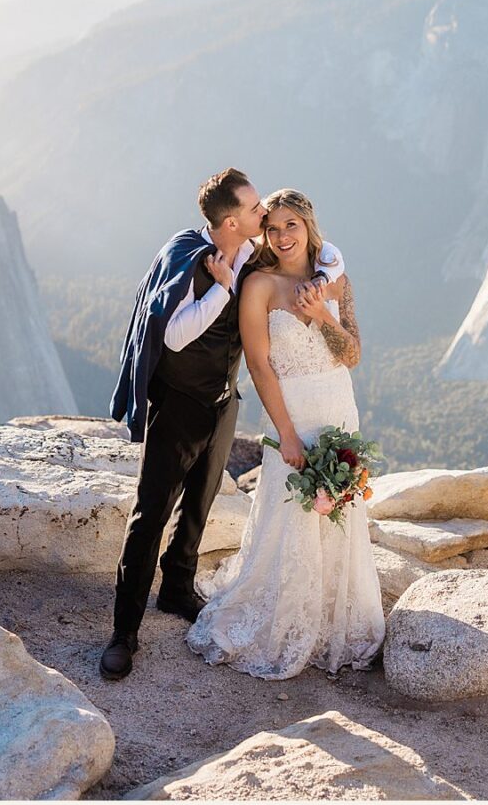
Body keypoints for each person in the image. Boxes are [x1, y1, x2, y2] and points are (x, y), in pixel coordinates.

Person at [103, 169, 345, 681]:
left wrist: (323, 283)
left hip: (222, 402)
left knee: (201, 502)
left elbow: (327, 255)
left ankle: (176, 587)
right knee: (151, 514)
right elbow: (172, 335)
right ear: (232, 220)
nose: (265, 216)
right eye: (257, 210)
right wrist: (222, 289)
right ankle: (123, 633)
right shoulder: (196, 260)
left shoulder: (255, 252)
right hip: (179, 406)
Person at [185, 188, 384, 679]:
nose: (281, 236)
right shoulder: (260, 285)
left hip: (339, 409)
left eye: (290, 225)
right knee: (289, 514)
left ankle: (333, 616)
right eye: (272, 228)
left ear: (309, 225)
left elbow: (352, 355)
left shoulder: (336, 282)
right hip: (293, 411)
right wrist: (287, 435)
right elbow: (258, 365)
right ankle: (286, 617)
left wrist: (320, 316)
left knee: (339, 508)